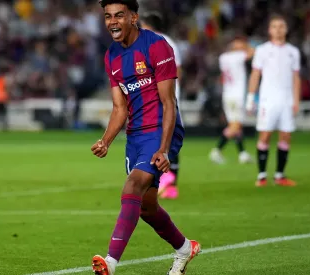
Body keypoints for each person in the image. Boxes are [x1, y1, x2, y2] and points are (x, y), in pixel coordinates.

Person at [91, 1, 200, 274]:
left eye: (119, 15)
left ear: (134, 17)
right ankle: (185, 249)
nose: (112, 22)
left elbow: (169, 103)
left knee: (132, 187)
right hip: (135, 135)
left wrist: (164, 149)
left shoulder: (157, 46)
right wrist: (106, 140)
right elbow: (119, 108)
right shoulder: (111, 56)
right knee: (147, 207)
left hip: (161, 130)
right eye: (108, 17)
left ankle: (110, 263)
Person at [246, 14, 301, 187]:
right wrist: (250, 97)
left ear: (286, 29)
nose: (278, 29)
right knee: (266, 135)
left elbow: (296, 77)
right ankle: (262, 176)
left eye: (281, 26)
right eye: (275, 26)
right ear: (270, 30)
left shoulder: (293, 52)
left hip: (286, 100)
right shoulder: (262, 50)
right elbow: (255, 74)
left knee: (285, 135)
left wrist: (296, 100)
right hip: (267, 100)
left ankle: (279, 175)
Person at [140, 11, 183, 199]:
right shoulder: (170, 42)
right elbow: (177, 71)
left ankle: (163, 182)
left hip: (157, 98)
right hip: (170, 97)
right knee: (168, 140)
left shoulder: (151, 42)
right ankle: (169, 184)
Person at [209, 37, 254, 164]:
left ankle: (242, 153)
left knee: (235, 124)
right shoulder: (238, 56)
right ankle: (217, 150)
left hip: (227, 95)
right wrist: (245, 45)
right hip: (237, 95)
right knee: (236, 125)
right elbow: (253, 52)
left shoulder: (223, 57)